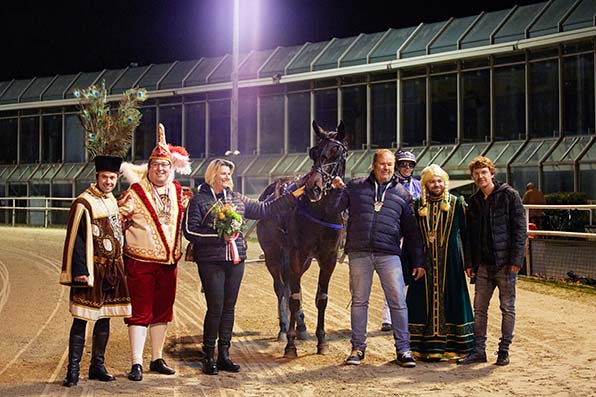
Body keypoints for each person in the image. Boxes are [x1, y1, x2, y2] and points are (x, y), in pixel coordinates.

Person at [183, 159, 304, 375]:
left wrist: (292, 197)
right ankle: (209, 355)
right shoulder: (199, 200)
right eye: (223, 174)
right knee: (216, 308)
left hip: (236, 261)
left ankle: (225, 354)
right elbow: (190, 231)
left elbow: (266, 209)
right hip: (211, 261)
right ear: (212, 176)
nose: (228, 177)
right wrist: (219, 236)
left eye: (229, 174)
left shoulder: (237, 199)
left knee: (229, 308)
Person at [328, 149, 425, 367]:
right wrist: (335, 191)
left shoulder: (403, 194)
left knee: (398, 302)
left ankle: (404, 350)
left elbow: (411, 232)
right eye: (383, 164)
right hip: (359, 252)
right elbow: (333, 208)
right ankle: (358, 348)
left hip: (389, 253)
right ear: (374, 165)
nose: (387, 168)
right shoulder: (355, 186)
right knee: (360, 302)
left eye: (390, 164)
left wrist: (418, 261)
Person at [119, 124, 192, 381]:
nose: (161, 169)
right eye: (156, 165)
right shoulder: (134, 193)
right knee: (140, 311)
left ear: (171, 168)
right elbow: (117, 220)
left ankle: (156, 358)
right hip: (139, 262)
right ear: (148, 168)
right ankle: (136, 362)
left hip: (169, 264)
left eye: (165, 165)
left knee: (163, 311)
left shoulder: (178, 191)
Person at [59, 154, 132, 387]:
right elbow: (78, 240)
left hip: (112, 269)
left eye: (112, 178)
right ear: (97, 177)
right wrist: (81, 270)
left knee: (104, 318)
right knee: (81, 319)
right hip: (92, 270)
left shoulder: (112, 200)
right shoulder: (84, 202)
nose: (108, 182)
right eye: (104, 177)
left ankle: (97, 366)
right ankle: (72, 370)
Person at [457, 156, 526, 366]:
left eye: (484, 172)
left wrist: (516, 260)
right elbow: (468, 236)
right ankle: (479, 350)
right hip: (483, 266)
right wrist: (469, 263)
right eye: (476, 174)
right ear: (473, 177)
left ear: (492, 173)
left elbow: (520, 230)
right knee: (479, 309)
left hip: (505, 264)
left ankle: (503, 351)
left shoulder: (509, 195)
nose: (480, 176)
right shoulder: (474, 201)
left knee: (507, 308)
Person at [406, 164, 474, 361]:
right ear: (425, 185)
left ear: (445, 183)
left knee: (453, 299)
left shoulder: (457, 203)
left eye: (439, 181)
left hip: (450, 262)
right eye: (431, 182)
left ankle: (455, 347)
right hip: (424, 263)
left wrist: (469, 263)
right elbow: (411, 237)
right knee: (420, 302)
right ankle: (421, 348)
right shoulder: (417, 205)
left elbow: (467, 236)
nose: (436, 184)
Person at [380, 150, 422, 332]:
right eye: (403, 164)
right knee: (392, 275)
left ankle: (410, 315)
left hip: (413, 235)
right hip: (395, 235)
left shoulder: (420, 186)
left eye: (410, 164)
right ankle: (387, 317)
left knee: (412, 274)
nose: (407, 168)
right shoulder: (389, 185)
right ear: (397, 165)